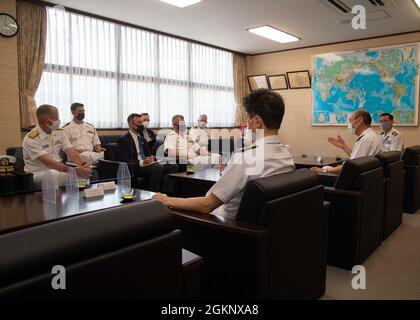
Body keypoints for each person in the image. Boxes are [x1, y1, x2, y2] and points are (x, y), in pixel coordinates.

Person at [153, 89, 295, 220]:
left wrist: (165, 200)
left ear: (256, 122)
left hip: (225, 226)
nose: (247, 124)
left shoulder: (246, 158)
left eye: (248, 119)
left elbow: (206, 205)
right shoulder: (287, 156)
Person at [22, 105, 92, 187]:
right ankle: (56, 199)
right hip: (38, 174)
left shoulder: (59, 132)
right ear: (44, 121)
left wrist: (83, 164)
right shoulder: (32, 138)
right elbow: (49, 163)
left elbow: (71, 152)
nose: (58, 121)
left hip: (59, 171)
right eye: (55, 118)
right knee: (52, 174)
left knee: (84, 176)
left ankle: (80, 199)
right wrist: (74, 171)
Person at [117, 113, 177, 193]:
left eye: (142, 122)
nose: (142, 125)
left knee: (172, 165)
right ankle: (152, 195)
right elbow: (124, 161)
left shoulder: (142, 139)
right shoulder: (123, 140)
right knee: (157, 167)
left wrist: (153, 158)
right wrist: (142, 162)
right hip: (135, 167)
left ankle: (165, 193)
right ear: (131, 124)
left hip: (148, 165)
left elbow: (148, 155)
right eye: (139, 123)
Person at [311, 109, 383, 175]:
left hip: (355, 183)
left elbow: (351, 168)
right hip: (366, 178)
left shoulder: (366, 139)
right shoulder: (371, 135)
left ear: (359, 120)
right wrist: (343, 146)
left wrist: (324, 171)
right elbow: (357, 159)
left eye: (350, 121)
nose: (349, 124)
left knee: (315, 171)